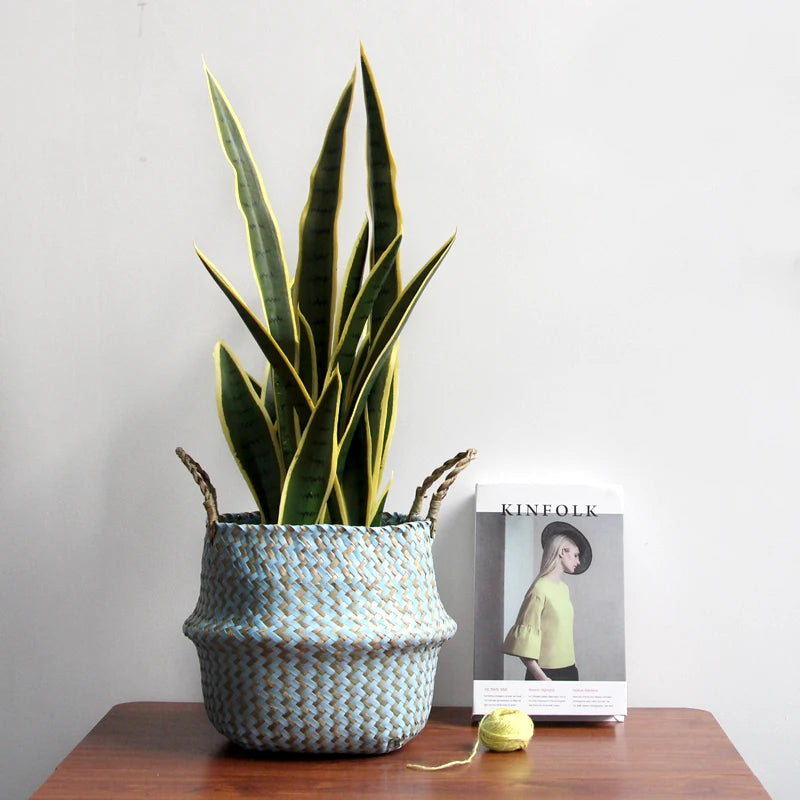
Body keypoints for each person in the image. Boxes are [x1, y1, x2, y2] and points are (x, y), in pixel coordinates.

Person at [502, 521, 592, 681]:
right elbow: (524, 647)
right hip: (545, 677)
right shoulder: (539, 589)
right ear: (563, 552)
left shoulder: (564, 589)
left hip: (570, 672)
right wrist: (544, 680)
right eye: (576, 555)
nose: (578, 562)